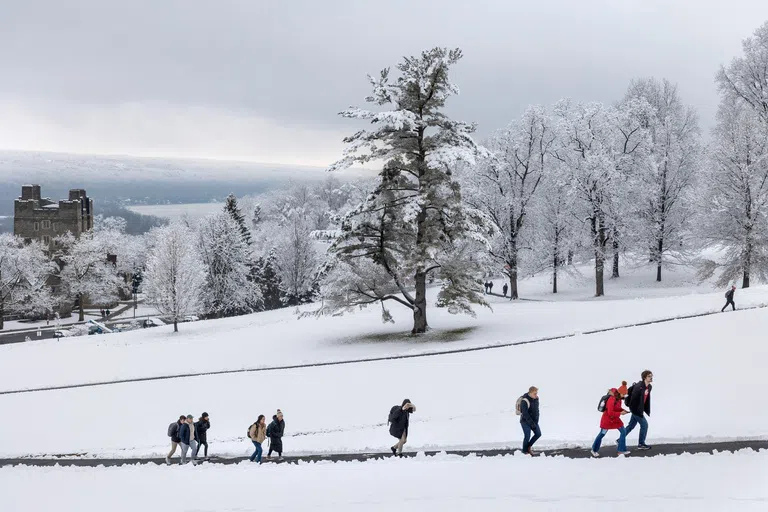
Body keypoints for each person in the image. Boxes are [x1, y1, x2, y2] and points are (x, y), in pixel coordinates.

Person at [591, 388, 630, 457]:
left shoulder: (619, 400)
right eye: (624, 394)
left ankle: (621, 450)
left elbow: (617, 408)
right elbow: (610, 413)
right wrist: (620, 413)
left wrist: (624, 410)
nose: (624, 396)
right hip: (607, 420)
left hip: (615, 420)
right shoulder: (611, 399)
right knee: (601, 434)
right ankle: (594, 449)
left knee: (623, 431)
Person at [625, 370, 653, 450]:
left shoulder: (649, 387)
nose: (651, 378)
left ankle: (620, 439)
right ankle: (641, 444)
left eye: (651, 376)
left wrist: (644, 408)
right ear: (644, 377)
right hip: (635, 409)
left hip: (639, 409)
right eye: (649, 376)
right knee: (644, 425)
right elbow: (633, 400)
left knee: (631, 426)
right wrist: (636, 411)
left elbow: (645, 399)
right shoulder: (638, 387)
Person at [519, 386, 541, 455]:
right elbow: (525, 414)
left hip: (534, 421)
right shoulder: (524, 401)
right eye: (534, 393)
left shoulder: (536, 399)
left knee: (538, 434)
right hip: (525, 421)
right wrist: (532, 424)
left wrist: (536, 421)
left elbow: (537, 410)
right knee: (527, 436)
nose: (536, 395)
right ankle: (524, 451)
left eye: (536, 393)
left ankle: (528, 447)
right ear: (530, 393)